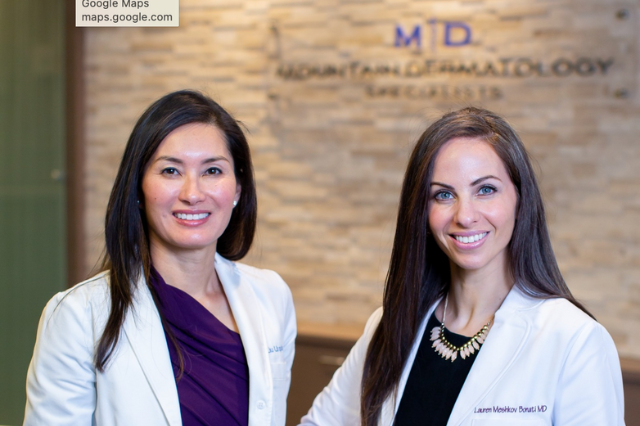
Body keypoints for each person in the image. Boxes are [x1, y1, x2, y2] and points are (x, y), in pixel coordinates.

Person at [300, 107, 624, 426]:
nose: (465, 216)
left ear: (520, 199)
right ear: (422, 212)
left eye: (486, 190)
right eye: (443, 195)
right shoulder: (389, 325)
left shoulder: (575, 340)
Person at [24, 90, 296, 426]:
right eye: (170, 171)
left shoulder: (272, 297)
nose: (192, 194)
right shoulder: (79, 317)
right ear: (138, 188)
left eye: (212, 171)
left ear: (238, 189)